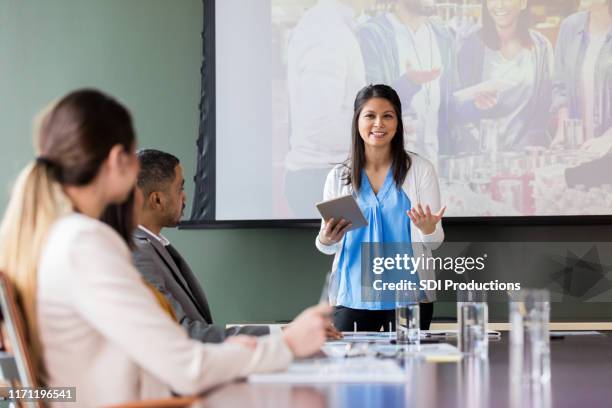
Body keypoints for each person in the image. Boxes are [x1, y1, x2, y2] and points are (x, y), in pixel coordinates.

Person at [0, 89, 329, 407]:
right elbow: (188, 369)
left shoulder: (48, 238)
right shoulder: (84, 243)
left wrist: (236, 353)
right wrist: (286, 344)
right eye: (133, 153)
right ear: (118, 160)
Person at [315, 84, 445, 332]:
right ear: (357, 121)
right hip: (351, 298)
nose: (379, 124)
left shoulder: (420, 171)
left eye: (387, 116)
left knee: (410, 370)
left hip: (409, 299)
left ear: (398, 122)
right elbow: (326, 246)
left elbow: (434, 242)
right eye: (370, 116)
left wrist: (428, 230)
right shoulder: (338, 177)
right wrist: (326, 237)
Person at [132, 149, 269, 341]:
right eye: (180, 188)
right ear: (157, 199)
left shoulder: (151, 246)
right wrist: (279, 335)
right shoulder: (139, 253)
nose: (185, 197)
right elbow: (184, 333)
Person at [284, 0, 371, 217]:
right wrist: (377, 136)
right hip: (323, 181)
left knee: (356, 248)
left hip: (326, 177)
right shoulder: (327, 32)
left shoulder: (331, 26)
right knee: (354, 249)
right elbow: (320, 125)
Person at [356, 0, 456, 165]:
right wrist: (409, 83)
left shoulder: (443, 36)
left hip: (434, 166)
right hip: (390, 167)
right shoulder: (372, 35)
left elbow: (450, 107)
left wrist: (478, 104)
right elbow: (370, 103)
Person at [452, 0, 553, 153]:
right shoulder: (470, 44)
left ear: (523, 3)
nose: (499, 5)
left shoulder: (541, 47)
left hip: (527, 155)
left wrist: (527, 149)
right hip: (480, 156)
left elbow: (544, 107)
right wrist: (476, 106)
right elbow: (455, 108)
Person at [552, 0, 612, 144]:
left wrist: (607, 140)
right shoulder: (570, 26)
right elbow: (561, 86)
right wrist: (563, 130)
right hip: (578, 152)